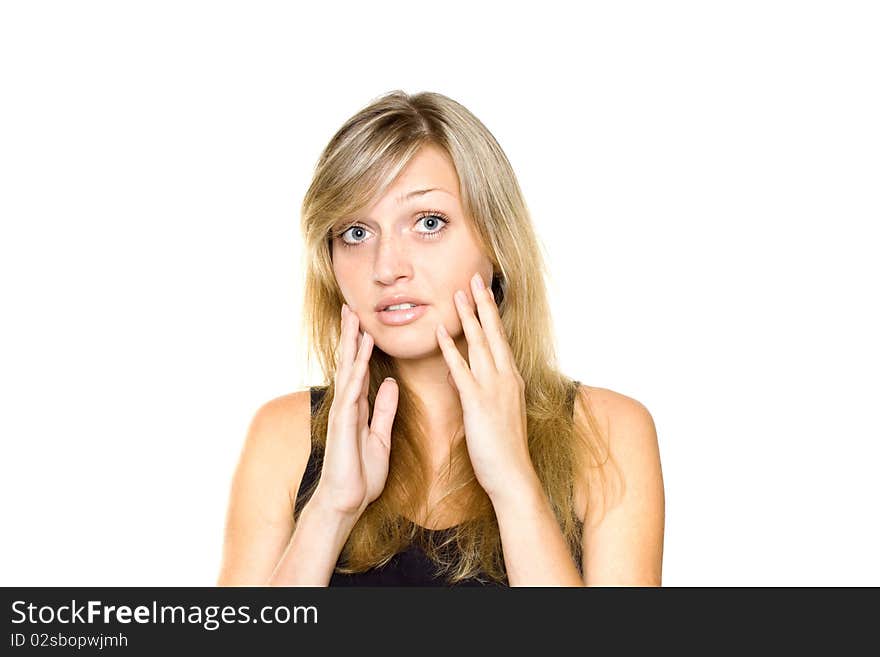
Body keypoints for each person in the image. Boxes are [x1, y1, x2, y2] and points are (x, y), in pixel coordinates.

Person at [217, 90, 665, 586]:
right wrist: (330, 510)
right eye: (356, 233)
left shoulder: (608, 434)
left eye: (428, 223)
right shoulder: (282, 437)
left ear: (496, 241)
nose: (386, 268)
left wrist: (515, 485)